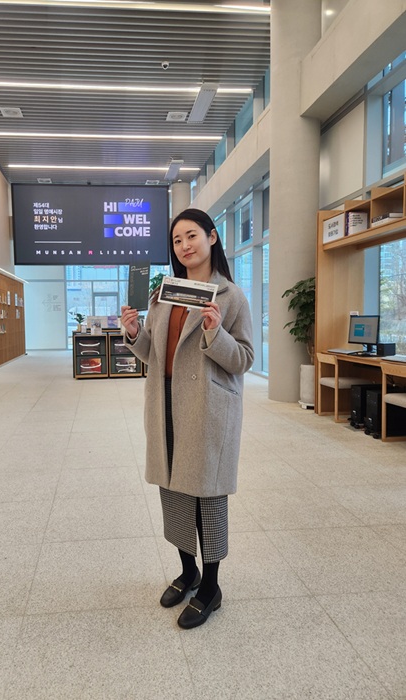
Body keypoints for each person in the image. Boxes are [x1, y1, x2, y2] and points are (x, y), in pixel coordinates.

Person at [121, 208, 254, 629]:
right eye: (177, 240)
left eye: (191, 236)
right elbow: (154, 354)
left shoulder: (231, 296)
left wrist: (215, 332)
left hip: (207, 409)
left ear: (212, 237)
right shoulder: (165, 294)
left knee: (207, 496)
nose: (184, 246)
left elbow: (244, 359)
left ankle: (211, 586)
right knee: (175, 491)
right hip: (166, 405)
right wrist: (133, 333)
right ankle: (188, 571)